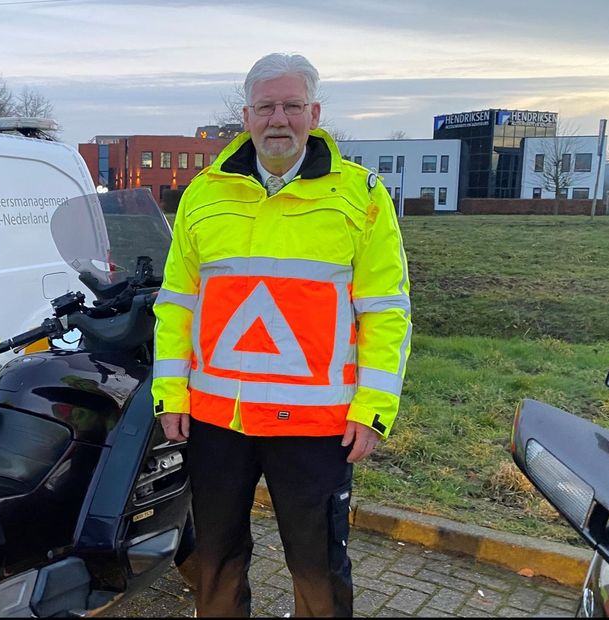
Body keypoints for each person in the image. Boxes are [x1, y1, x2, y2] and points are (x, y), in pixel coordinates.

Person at [152, 52, 411, 617]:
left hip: (318, 424)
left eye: (292, 106)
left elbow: (387, 310)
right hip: (217, 418)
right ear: (245, 116)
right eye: (266, 106)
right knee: (216, 558)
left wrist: (373, 407)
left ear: (313, 113)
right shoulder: (203, 193)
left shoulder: (361, 196)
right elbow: (176, 304)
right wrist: (170, 394)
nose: (279, 119)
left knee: (317, 562)